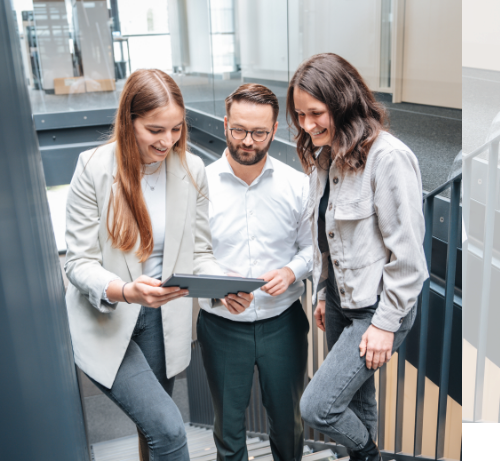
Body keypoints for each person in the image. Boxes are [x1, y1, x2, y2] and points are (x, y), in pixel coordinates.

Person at [64, 69, 253, 461]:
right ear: (128, 120)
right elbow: (79, 261)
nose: (168, 141)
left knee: (152, 432)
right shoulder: (93, 167)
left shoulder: (191, 170)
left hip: (162, 321)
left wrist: (224, 287)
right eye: (155, 130)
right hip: (110, 316)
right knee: (168, 429)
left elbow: (199, 253)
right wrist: (125, 290)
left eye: (176, 128)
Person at [287, 54, 428, 461]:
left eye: (316, 113)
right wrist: (321, 290)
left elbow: (409, 256)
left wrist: (385, 325)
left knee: (318, 406)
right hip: (338, 300)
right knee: (357, 401)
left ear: (344, 103)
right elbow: (325, 234)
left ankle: (369, 455)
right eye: (299, 114)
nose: (307, 125)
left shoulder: (388, 158)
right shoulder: (325, 154)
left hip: (377, 307)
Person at [197, 83, 313, 461]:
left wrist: (292, 271)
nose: (248, 141)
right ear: (226, 123)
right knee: (228, 431)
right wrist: (219, 287)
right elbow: (193, 253)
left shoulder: (298, 185)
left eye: (259, 133)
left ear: (275, 130)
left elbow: (314, 248)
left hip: (284, 323)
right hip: (221, 327)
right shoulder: (199, 186)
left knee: (289, 424)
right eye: (239, 130)